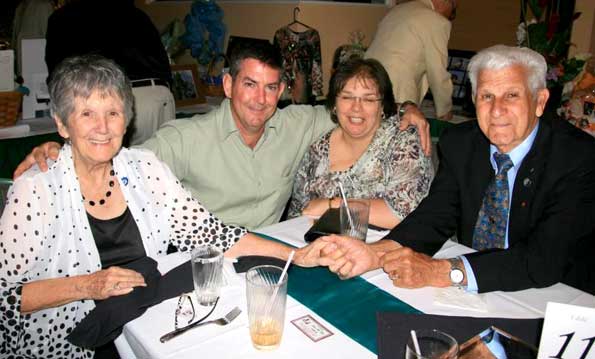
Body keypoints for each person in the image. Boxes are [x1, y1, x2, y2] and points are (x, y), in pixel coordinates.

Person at [0, 55, 332, 358]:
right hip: (69, 344)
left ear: (126, 121)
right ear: (62, 124)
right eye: (86, 114)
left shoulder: (143, 168)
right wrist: (87, 285)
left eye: (112, 113)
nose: (102, 128)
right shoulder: (37, 190)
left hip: (149, 325)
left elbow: (211, 232)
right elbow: (4, 297)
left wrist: (294, 255)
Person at [14, 41, 432, 230]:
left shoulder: (297, 123)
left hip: (270, 257)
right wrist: (64, 149)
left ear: (282, 91)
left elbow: (355, 112)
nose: (260, 99)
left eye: (271, 87)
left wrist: (406, 110)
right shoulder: (187, 138)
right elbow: (118, 162)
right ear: (229, 85)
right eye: (249, 84)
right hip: (204, 259)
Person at [320, 45, 595, 294]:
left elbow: (543, 259)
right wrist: (375, 253)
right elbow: (435, 217)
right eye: (486, 96)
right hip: (478, 288)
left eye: (511, 95)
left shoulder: (578, 158)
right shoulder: (461, 144)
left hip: (560, 297)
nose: (497, 110)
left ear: (540, 102)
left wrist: (441, 271)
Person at [288, 58, 434, 229]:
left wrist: (332, 205)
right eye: (347, 97)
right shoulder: (317, 151)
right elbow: (298, 215)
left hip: (390, 248)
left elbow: (403, 213)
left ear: (383, 106)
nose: (356, 108)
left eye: (369, 99)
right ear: (334, 104)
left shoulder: (403, 139)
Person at [44, 0, 175, 146]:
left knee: (104, 165)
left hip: (106, 100)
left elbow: (58, 73)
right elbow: (161, 58)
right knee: (159, 164)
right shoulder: (136, 14)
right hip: (154, 95)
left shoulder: (62, 17)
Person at [365, 0, 456, 121]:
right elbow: (438, 72)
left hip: (366, 79)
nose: (450, 16)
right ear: (446, 2)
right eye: (452, 10)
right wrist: (445, 110)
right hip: (396, 91)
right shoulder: (436, 21)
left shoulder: (397, 10)